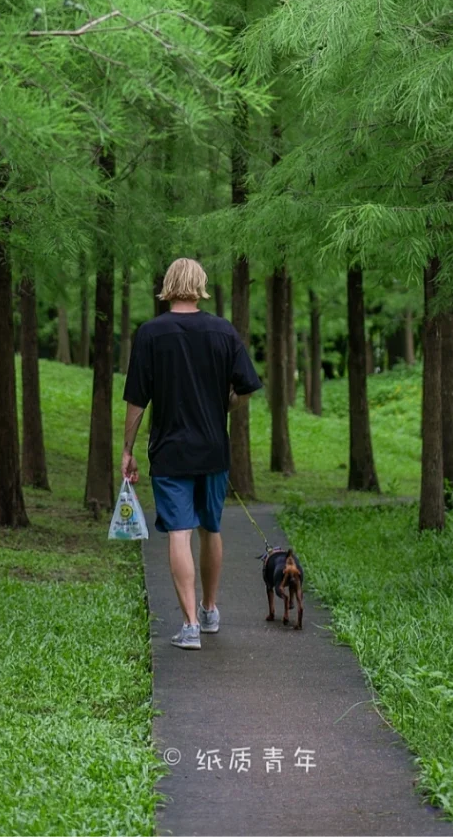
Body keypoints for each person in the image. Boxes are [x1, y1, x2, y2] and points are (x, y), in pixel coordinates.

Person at [121, 257, 263, 650]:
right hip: (213, 450)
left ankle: (189, 627)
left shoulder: (150, 333)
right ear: (200, 285)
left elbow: (137, 400)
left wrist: (127, 450)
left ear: (168, 285)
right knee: (210, 528)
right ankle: (210, 609)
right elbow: (247, 386)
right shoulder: (222, 331)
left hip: (169, 452)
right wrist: (225, 406)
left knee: (179, 533)